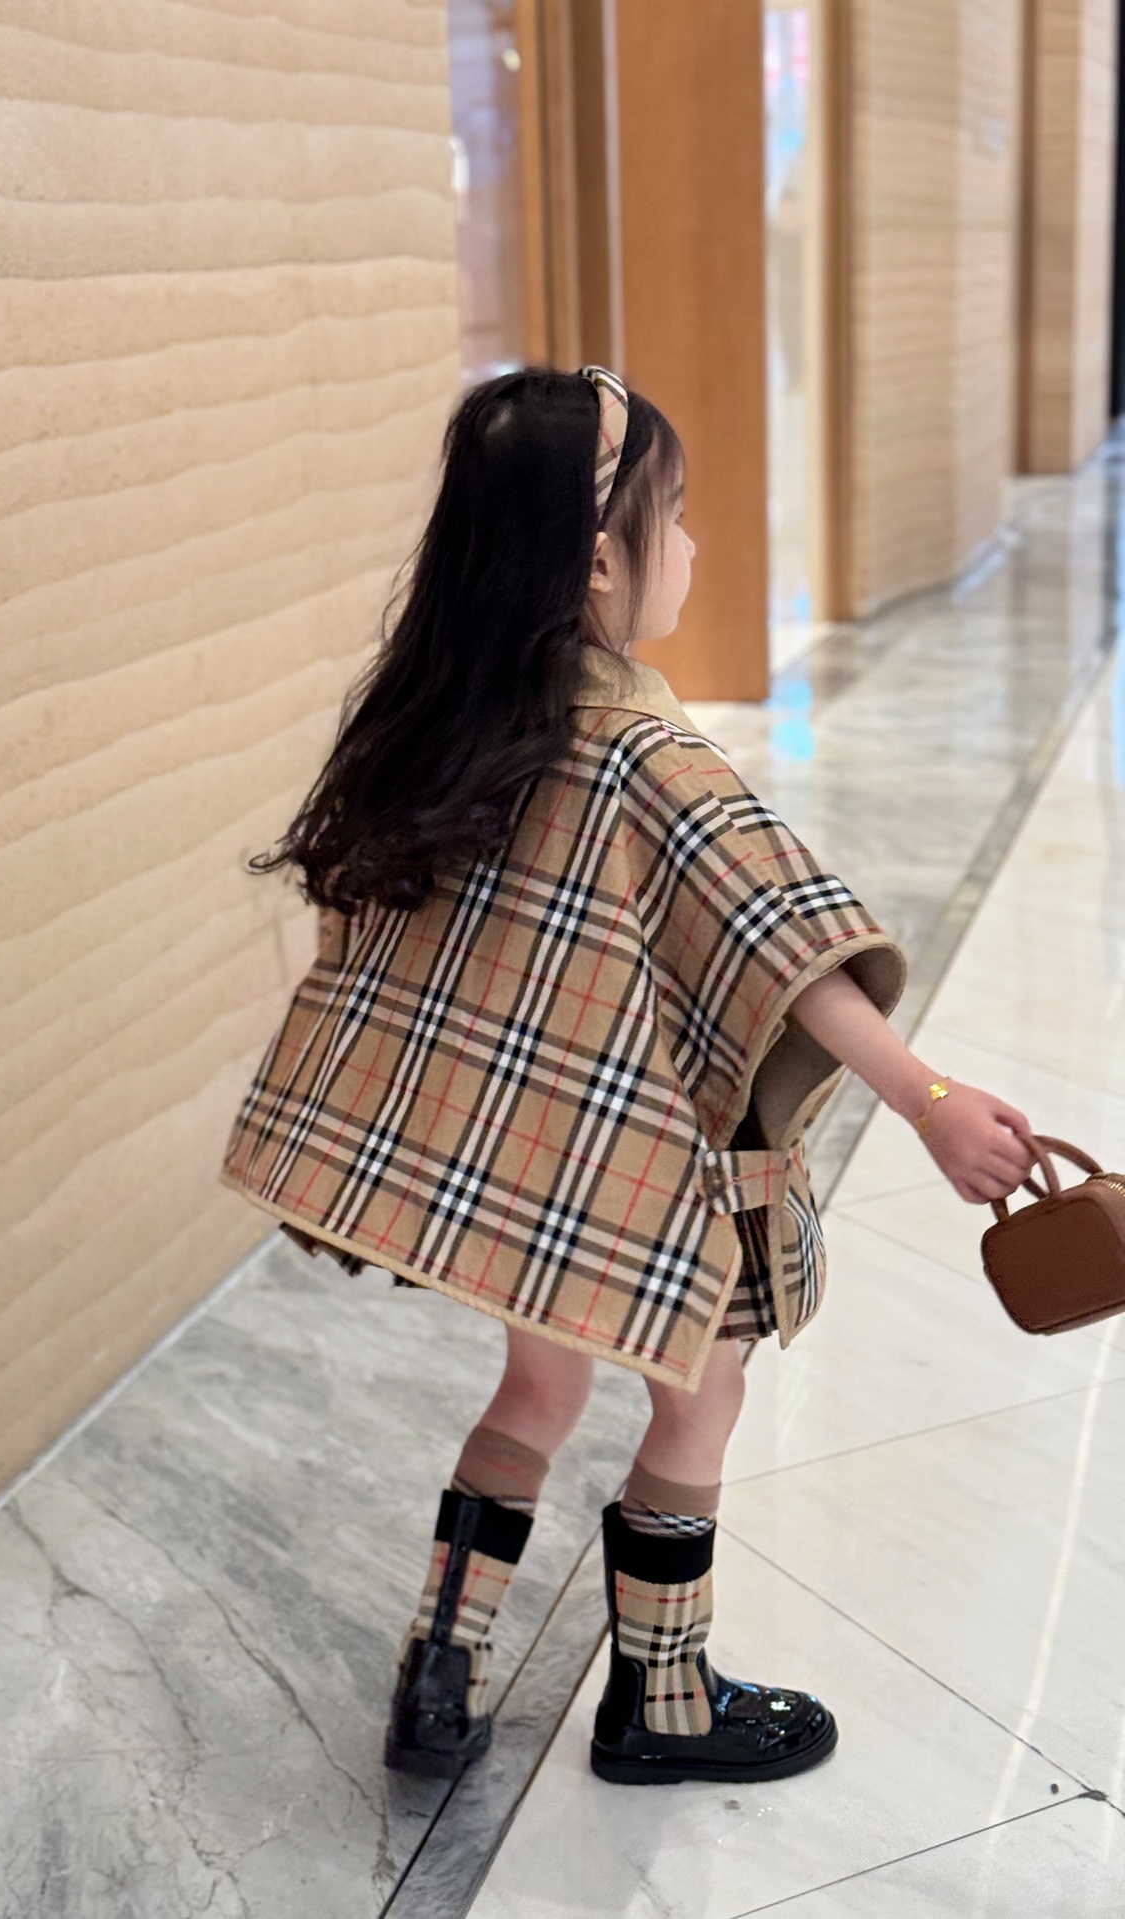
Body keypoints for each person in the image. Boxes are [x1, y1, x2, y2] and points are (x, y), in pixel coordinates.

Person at [222, 368, 1034, 1787]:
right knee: (699, 1402)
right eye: (681, 514)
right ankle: (662, 1701)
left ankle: (439, 1669)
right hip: (635, 1160)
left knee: (536, 1393)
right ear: (602, 559)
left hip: (523, 1161)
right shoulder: (649, 756)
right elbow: (789, 950)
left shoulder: (455, 720)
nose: (696, 546)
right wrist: (933, 1102)